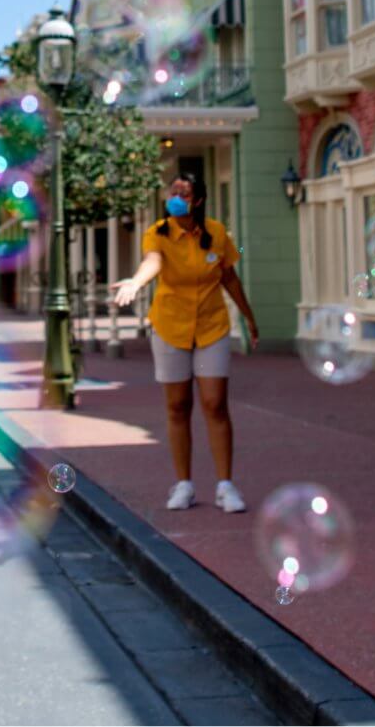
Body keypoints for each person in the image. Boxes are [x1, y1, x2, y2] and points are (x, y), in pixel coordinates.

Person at [112, 172, 258, 514]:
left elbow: (230, 277)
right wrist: (135, 282)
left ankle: (225, 485)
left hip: (211, 327)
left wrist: (249, 316)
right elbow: (153, 262)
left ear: (199, 200)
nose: (176, 197)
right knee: (178, 407)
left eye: (184, 192)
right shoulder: (157, 232)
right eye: (173, 191)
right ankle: (184, 484)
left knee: (214, 403)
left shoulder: (219, 234)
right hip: (170, 327)